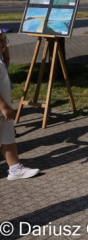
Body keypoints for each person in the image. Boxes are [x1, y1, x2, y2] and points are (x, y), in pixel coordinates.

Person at [0, 31, 40, 180]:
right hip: (2, 108)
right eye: (0, 41)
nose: (4, 44)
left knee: (8, 139)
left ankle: (15, 168)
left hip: (4, 111)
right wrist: (4, 106)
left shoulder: (1, 61)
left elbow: (7, 59)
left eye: (5, 40)